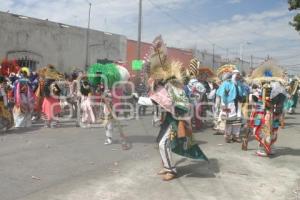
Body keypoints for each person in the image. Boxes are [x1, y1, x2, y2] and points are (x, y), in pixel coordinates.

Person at [147, 36, 208, 181]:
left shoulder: (174, 86)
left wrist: (162, 103)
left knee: (164, 143)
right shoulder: (161, 86)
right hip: (169, 119)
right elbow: (158, 101)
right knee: (160, 141)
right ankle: (166, 165)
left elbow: (181, 104)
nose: (153, 78)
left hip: (176, 119)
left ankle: (171, 170)